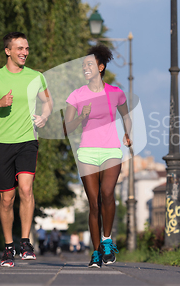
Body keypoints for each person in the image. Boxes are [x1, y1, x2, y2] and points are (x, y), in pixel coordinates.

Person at [0, 32, 53, 268]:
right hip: (3, 144)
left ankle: (25, 242)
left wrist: (45, 116)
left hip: (28, 141)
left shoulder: (37, 77)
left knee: (26, 189)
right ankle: (9, 247)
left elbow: (48, 102)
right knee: (7, 199)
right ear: (8, 51)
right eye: (19, 48)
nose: (24, 53)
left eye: (27, 48)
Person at [63, 44, 132, 268]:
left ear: (101, 67)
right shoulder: (77, 95)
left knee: (107, 193)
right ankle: (95, 253)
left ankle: (107, 240)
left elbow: (126, 116)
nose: (85, 68)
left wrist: (128, 134)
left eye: (89, 64)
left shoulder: (116, 93)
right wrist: (81, 116)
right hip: (87, 153)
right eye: (83, 65)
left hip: (111, 150)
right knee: (94, 204)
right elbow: (67, 128)